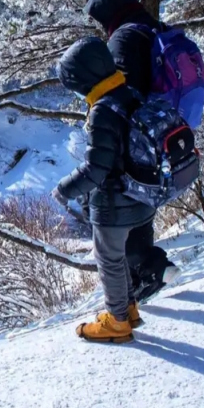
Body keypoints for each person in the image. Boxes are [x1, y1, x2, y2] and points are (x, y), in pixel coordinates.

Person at [53, 37, 155, 343]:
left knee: (109, 258)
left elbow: (95, 169)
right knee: (120, 256)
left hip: (114, 203)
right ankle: (129, 308)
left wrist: (64, 190)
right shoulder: (130, 94)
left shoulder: (102, 111)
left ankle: (117, 322)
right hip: (142, 195)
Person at [84, 0, 180, 300]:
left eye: (101, 19)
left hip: (136, 138)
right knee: (141, 200)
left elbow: (119, 95)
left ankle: (150, 269)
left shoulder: (123, 38)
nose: (102, 27)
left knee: (118, 207)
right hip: (164, 134)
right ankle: (149, 270)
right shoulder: (154, 26)